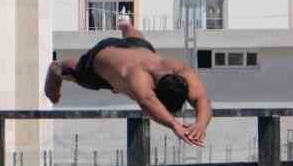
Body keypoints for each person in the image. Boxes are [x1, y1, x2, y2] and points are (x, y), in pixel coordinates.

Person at [44, 14, 212, 146]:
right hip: (102, 56)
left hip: (139, 49)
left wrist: (201, 124)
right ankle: (57, 67)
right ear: (156, 92)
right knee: (75, 72)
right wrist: (175, 125)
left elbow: (201, 98)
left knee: (137, 38)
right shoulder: (137, 78)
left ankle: (126, 25)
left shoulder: (180, 69)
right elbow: (148, 102)